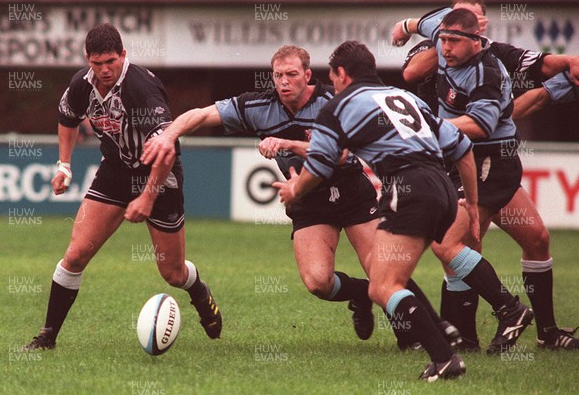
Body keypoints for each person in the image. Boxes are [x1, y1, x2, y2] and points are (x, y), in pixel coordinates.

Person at [141, 45, 460, 346]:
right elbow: (199, 114)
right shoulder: (258, 106)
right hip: (309, 201)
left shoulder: (332, 102)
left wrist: (286, 143)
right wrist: (168, 136)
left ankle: (428, 331)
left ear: (308, 75)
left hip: (351, 190)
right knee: (317, 282)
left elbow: (340, 154)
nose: (283, 82)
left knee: (382, 267)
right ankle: (361, 294)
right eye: (278, 75)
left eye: (291, 74)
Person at [274, 40, 533, 380]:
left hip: (408, 187)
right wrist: (470, 202)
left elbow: (321, 164)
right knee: (404, 270)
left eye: (332, 76)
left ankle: (445, 358)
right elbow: (462, 147)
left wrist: (295, 188)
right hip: (441, 186)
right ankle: (482, 320)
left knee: (382, 286)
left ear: (340, 74)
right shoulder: (405, 97)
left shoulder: (338, 106)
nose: (332, 83)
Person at [393, 0, 579, 352]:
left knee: (448, 245)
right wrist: (404, 26)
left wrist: (422, 127)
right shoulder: (443, 35)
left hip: (489, 163)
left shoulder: (488, 71)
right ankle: (469, 337)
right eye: (442, 39)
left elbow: (481, 125)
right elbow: (413, 64)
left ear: (479, 34)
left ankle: (512, 314)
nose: (445, 47)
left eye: (454, 40)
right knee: (519, 240)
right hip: (462, 160)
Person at [24, 23, 222, 350]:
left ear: (124, 55)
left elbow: (167, 149)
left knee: (172, 272)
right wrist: (64, 165)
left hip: (159, 173)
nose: (104, 70)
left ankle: (198, 291)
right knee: (75, 255)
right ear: (87, 58)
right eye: (97, 63)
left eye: (111, 62)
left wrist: (147, 196)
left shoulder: (142, 88)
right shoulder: (80, 85)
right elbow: (68, 117)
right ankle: (47, 337)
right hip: (115, 171)